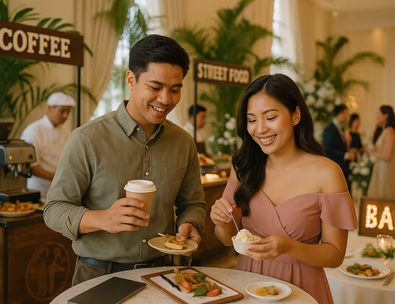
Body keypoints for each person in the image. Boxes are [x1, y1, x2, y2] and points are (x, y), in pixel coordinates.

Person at [43, 35, 206, 285]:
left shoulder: (184, 143)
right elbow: (54, 209)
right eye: (155, 87)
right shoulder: (86, 139)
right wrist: (102, 218)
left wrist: (190, 223)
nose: (165, 99)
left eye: (175, 89)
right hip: (99, 275)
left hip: (163, 274)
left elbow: (193, 203)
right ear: (131, 80)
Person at [210, 74, 357, 304]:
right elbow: (227, 239)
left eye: (270, 117)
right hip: (248, 284)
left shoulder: (327, 173)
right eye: (251, 120)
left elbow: (335, 254)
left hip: (303, 289)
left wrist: (290, 246)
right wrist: (220, 219)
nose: (260, 129)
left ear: (295, 115)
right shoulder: (243, 166)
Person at [20, 92, 75, 201]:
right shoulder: (33, 131)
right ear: (49, 108)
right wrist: (58, 178)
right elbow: (30, 167)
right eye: (62, 111)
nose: (66, 116)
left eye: (68, 112)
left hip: (60, 193)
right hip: (38, 193)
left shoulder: (66, 132)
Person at [323, 104, 356, 190]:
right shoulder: (329, 129)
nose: (347, 117)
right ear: (341, 113)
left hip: (343, 167)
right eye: (346, 114)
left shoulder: (341, 128)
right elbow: (327, 150)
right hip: (335, 167)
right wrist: (345, 155)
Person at [367, 105, 395, 199]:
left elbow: (388, 155)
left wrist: (373, 153)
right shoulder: (384, 131)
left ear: (386, 115)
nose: (376, 115)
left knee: (383, 195)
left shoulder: (389, 132)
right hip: (380, 168)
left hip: (385, 169)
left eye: (379, 113)